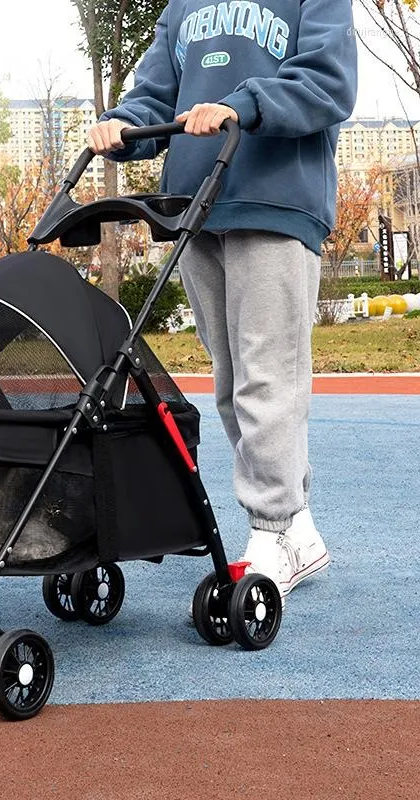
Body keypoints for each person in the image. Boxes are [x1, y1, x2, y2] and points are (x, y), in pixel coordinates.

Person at [88, 1, 358, 602]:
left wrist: (243, 104)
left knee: (268, 375)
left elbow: (329, 81)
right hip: (197, 202)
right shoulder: (184, 6)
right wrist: (122, 124)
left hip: (276, 200)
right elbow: (156, 91)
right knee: (233, 380)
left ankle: (271, 528)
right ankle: (299, 528)